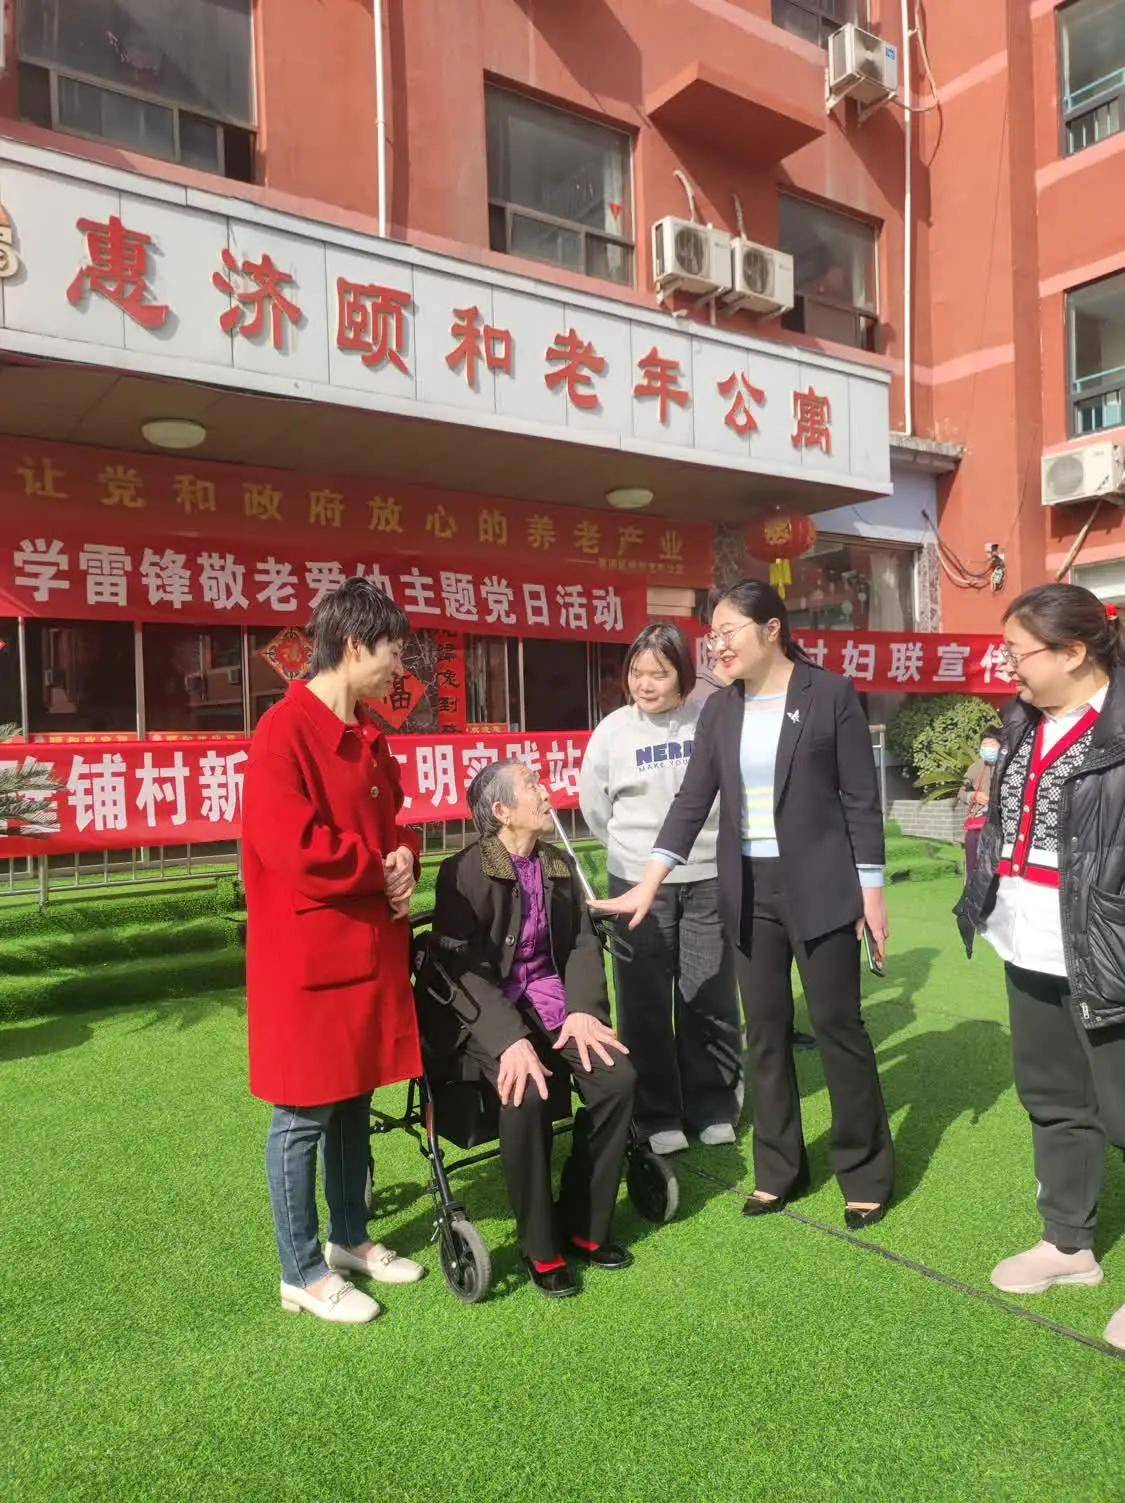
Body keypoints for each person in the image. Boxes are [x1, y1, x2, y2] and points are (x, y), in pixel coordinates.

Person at [593, 579, 894, 1229]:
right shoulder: (721, 711)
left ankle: (864, 1169)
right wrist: (648, 881)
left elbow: (860, 801)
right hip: (747, 889)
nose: (717, 645)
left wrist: (871, 893)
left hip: (821, 884)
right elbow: (691, 803)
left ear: (771, 629)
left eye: (727, 631)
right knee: (764, 1030)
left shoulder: (829, 695)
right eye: (713, 635)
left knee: (837, 1026)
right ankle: (778, 1169)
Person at [243, 578, 425, 1326]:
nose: (399, 669)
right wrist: (378, 867)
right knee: (303, 1112)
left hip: (365, 949)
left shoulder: (367, 734)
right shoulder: (283, 732)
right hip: (310, 959)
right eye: (392, 653)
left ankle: (349, 1236)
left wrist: (405, 856)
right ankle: (301, 1270)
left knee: (353, 1095)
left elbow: (397, 823)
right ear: (353, 646)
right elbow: (294, 847)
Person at [955, 584, 1125, 1353]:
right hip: (1028, 936)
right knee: (1052, 1095)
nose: (1007, 667)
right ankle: (1066, 1241)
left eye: (1017, 652)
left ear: (1073, 651)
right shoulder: (1022, 719)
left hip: (1107, 947)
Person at [425, 759, 636, 1298]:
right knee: (525, 1092)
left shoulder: (558, 865)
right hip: (487, 1016)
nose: (546, 793)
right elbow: (461, 970)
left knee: (617, 1079)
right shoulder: (462, 873)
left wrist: (585, 1009)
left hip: (554, 1004)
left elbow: (583, 943)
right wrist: (510, 1040)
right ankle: (540, 1246)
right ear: (501, 811)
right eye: (532, 786)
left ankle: (585, 1225)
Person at [579, 622, 741, 1155]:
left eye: (659, 674)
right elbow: (595, 807)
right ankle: (656, 1113)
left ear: (684, 677)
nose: (644, 684)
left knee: (708, 993)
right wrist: (635, 856)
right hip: (634, 881)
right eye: (636, 672)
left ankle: (713, 1104)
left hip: (707, 876)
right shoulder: (612, 732)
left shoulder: (709, 720)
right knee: (644, 999)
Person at [955, 726, 1004, 878]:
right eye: (984, 744)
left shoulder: (1009, 765)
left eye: (992, 744)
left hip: (1001, 822)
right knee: (973, 855)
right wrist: (973, 796)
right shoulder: (976, 767)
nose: (987, 747)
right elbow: (961, 792)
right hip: (979, 821)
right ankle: (972, 885)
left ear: (1001, 746)